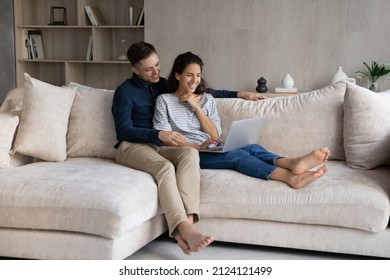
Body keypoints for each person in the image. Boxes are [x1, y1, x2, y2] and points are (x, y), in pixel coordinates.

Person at [111, 42, 265, 255]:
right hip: (133, 146)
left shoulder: (162, 84)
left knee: (190, 152)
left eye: (157, 65)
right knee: (165, 169)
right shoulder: (124, 92)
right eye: (148, 69)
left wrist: (240, 94)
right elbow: (123, 131)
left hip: (160, 145)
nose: (156, 71)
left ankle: (190, 219)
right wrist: (157, 134)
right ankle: (183, 230)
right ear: (134, 69)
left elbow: (203, 91)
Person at [153, 51, 330, 189]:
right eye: (189, 75)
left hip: (212, 149)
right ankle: (291, 177)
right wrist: (198, 147)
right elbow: (166, 141)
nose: (194, 80)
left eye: (198, 75)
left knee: (252, 147)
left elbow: (214, 134)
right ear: (178, 75)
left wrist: (196, 106)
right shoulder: (164, 101)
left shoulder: (207, 99)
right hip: (190, 154)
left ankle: (292, 163)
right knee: (238, 156)